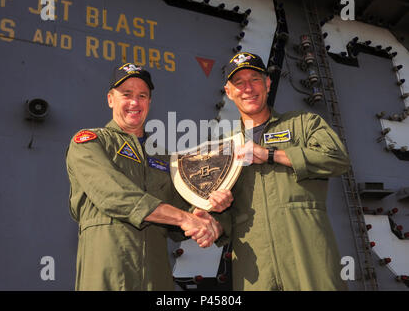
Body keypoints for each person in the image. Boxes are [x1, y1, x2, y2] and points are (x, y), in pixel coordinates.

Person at [66, 62, 233, 291]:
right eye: (127, 94)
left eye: (142, 95)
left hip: (156, 278)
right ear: (110, 99)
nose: (135, 102)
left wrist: (213, 220)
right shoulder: (90, 142)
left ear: (149, 103)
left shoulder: (167, 159)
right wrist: (184, 219)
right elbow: (115, 195)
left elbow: (189, 207)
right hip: (106, 274)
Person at [223, 52, 350, 290]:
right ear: (229, 92)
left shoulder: (304, 123)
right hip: (254, 266)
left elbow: (337, 158)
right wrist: (210, 213)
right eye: (238, 83)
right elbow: (223, 212)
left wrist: (272, 154)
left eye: (255, 79)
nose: (247, 88)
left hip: (309, 255)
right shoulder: (225, 147)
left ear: (268, 84)